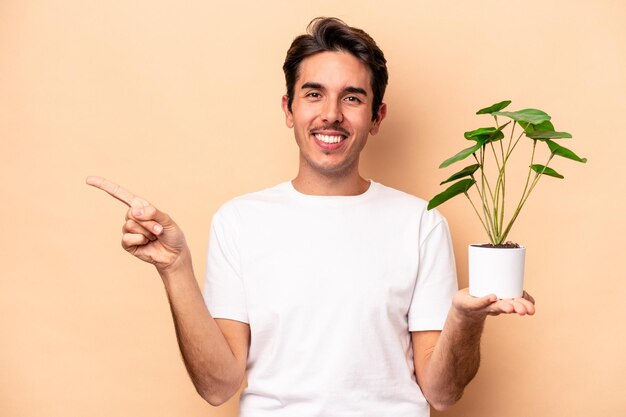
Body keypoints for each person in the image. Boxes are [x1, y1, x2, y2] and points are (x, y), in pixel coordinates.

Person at [87, 17, 535, 417]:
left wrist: (464, 318)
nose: (331, 115)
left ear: (377, 117)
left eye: (352, 98)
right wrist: (175, 268)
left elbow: (442, 393)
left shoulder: (421, 223)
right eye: (314, 94)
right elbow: (217, 385)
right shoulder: (240, 221)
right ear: (289, 108)